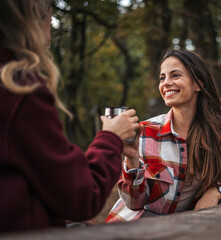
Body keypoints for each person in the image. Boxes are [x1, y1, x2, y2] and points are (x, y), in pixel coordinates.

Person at [0, 0, 139, 233]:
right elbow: (82, 197)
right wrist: (111, 138)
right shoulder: (19, 91)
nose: (49, 39)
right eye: (48, 25)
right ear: (31, 24)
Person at [106, 49, 221, 223]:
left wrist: (217, 191)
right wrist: (131, 159)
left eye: (175, 75)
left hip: (176, 231)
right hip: (129, 228)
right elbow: (133, 203)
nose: (166, 83)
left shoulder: (219, 135)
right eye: (162, 78)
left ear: (198, 85)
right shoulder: (145, 132)